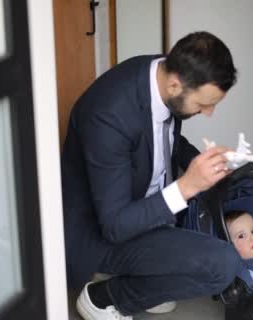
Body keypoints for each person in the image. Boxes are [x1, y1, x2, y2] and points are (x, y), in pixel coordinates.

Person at [61, 31, 241, 320]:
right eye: (203, 104)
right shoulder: (108, 117)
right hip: (104, 230)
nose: (209, 113)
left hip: (148, 208)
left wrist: (205, 163)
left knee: (227, 207)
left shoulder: (161, 75)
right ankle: (104, 297)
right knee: (223, 264)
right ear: (174, 85)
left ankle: (148, 283)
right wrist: (187, 186)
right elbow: (115, 226)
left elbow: (166, 141)